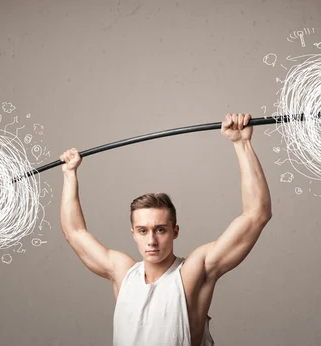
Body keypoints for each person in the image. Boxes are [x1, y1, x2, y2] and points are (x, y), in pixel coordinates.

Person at [59, 113, 272, 346]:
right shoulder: (122, 273)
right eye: (143, 231)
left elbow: (256, 215)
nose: (151, 240)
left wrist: (242, 144)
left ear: (175, 231)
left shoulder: (193, 272)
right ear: (133, 233)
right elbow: (75, 232)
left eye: (160, 230)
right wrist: (69, 174)